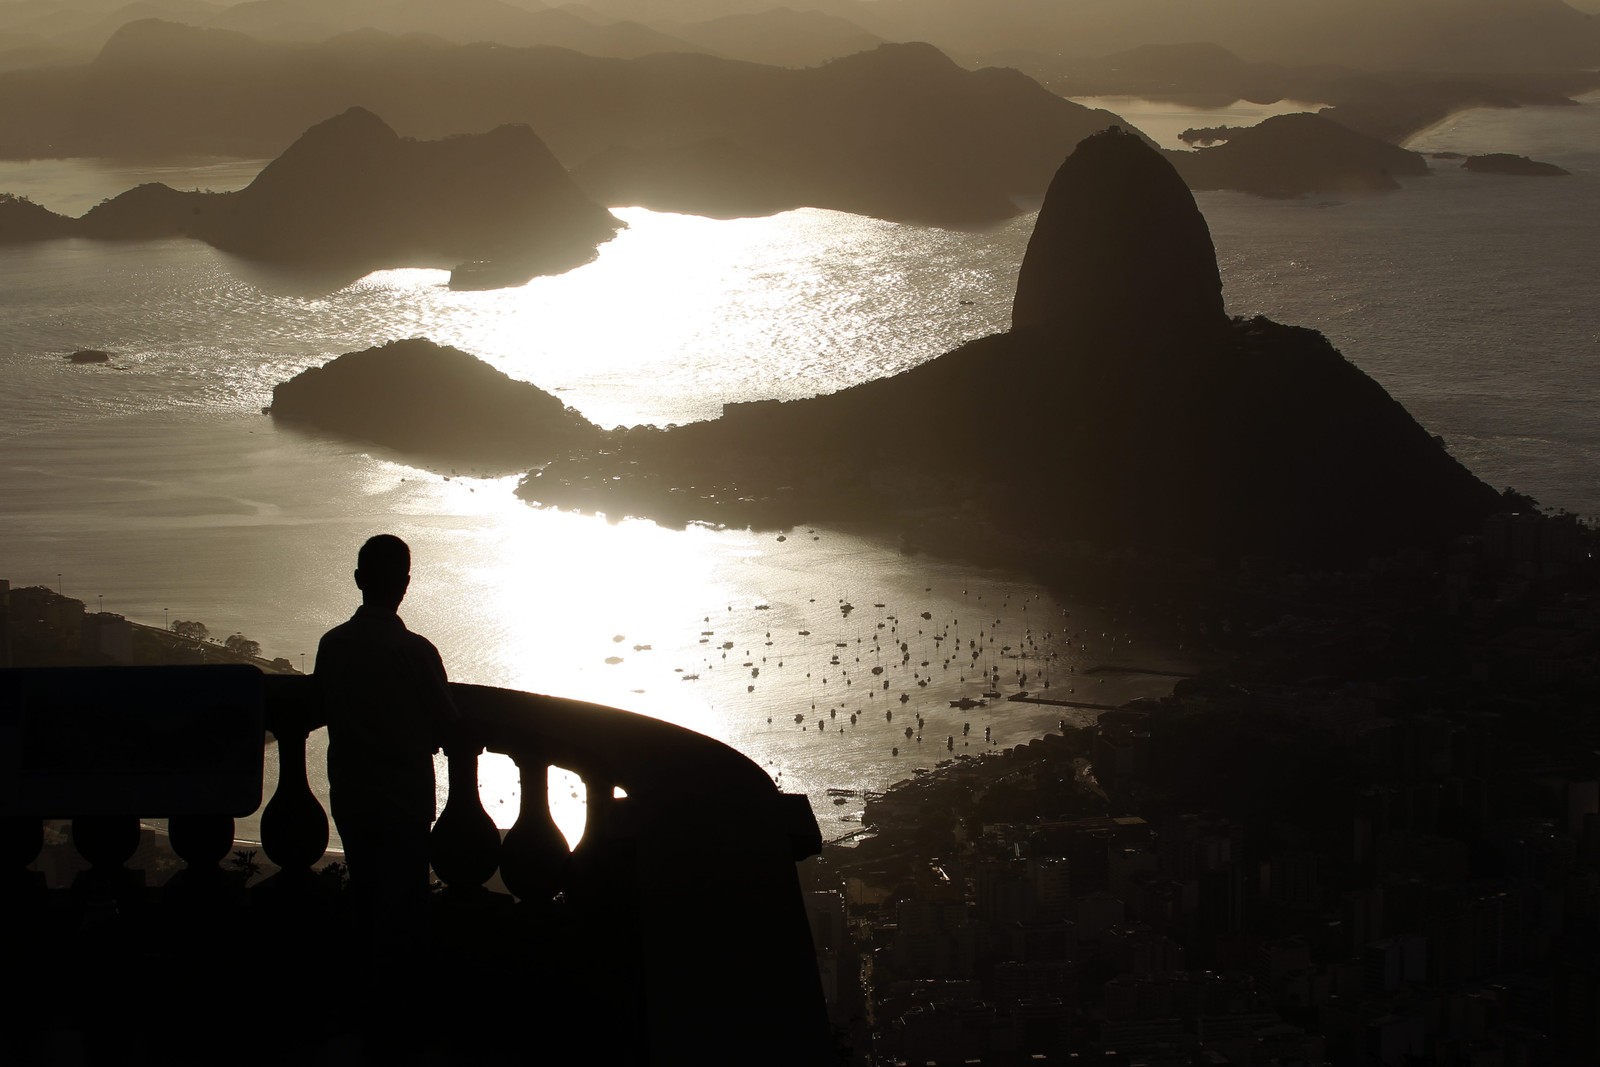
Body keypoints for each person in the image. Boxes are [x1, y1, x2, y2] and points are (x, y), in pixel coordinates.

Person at [315, 533, 459, 961]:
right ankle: (397, 1001)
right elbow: (448, 724)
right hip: (404, 798)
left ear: (359, 579)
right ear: (405, 583)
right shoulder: (415, 652)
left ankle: (364, 994)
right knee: (404, 902)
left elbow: (322, 705)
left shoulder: (332, 645)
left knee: (365, 890)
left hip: (351, 792)